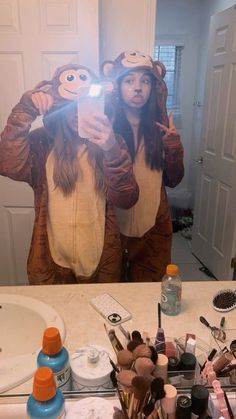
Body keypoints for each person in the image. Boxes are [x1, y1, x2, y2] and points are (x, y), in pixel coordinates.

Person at [0, 63, 139, 285]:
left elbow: (127, 199)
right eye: (69, 105)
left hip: (99, 258)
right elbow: (8, 165)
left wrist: (111, 149)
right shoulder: (43, 143)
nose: (77, 113)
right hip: (52, 258)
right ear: (59, 108)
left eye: (84, 104)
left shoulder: (113, 142)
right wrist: (25, 111)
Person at [101, 51, 184, 282]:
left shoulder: (161, 129)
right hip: (112, 228)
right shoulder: (104, 127)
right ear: (117, 85)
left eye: (145, 81)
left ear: (153, 86)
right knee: (113, 295)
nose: (138, 87)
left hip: (153, 229)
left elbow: (174, 180)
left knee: (149, 296)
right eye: (129, 80)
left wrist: (173, 146)